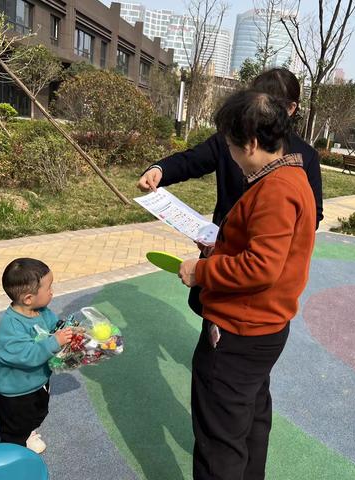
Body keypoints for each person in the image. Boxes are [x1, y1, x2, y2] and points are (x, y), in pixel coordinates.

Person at [178, 90, 316, 480]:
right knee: (251, 421)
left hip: (239, 330)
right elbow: (267, 249)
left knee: (219, 440)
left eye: (231, 146)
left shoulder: (275, 189)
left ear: (252, 143)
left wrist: (200, 272)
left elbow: (260, 267)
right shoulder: (291, 175)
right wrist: (220, 244)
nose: (230, 155)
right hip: (265, 326)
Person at [137, 67, 322, 316]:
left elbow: (310, 218)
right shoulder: (234, 137)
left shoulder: (294, 169)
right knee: (211, 315)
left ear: (290, 109)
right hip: (220, 253)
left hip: (255, 284)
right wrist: (160, 170)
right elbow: (193, 159)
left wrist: (267, 236)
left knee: (227, 330)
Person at [0, 258, 72, 453]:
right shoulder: (11, 327)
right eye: (49, 288)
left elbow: (53, 325)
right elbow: (27, 355)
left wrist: (64, 330)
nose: (52, 291)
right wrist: (54, 342)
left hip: (37, 381)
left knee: (37, 413)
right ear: (28, 298)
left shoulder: (41, 311)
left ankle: (28, 432)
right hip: (16, 391)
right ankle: (14, 451)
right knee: (15, 425)